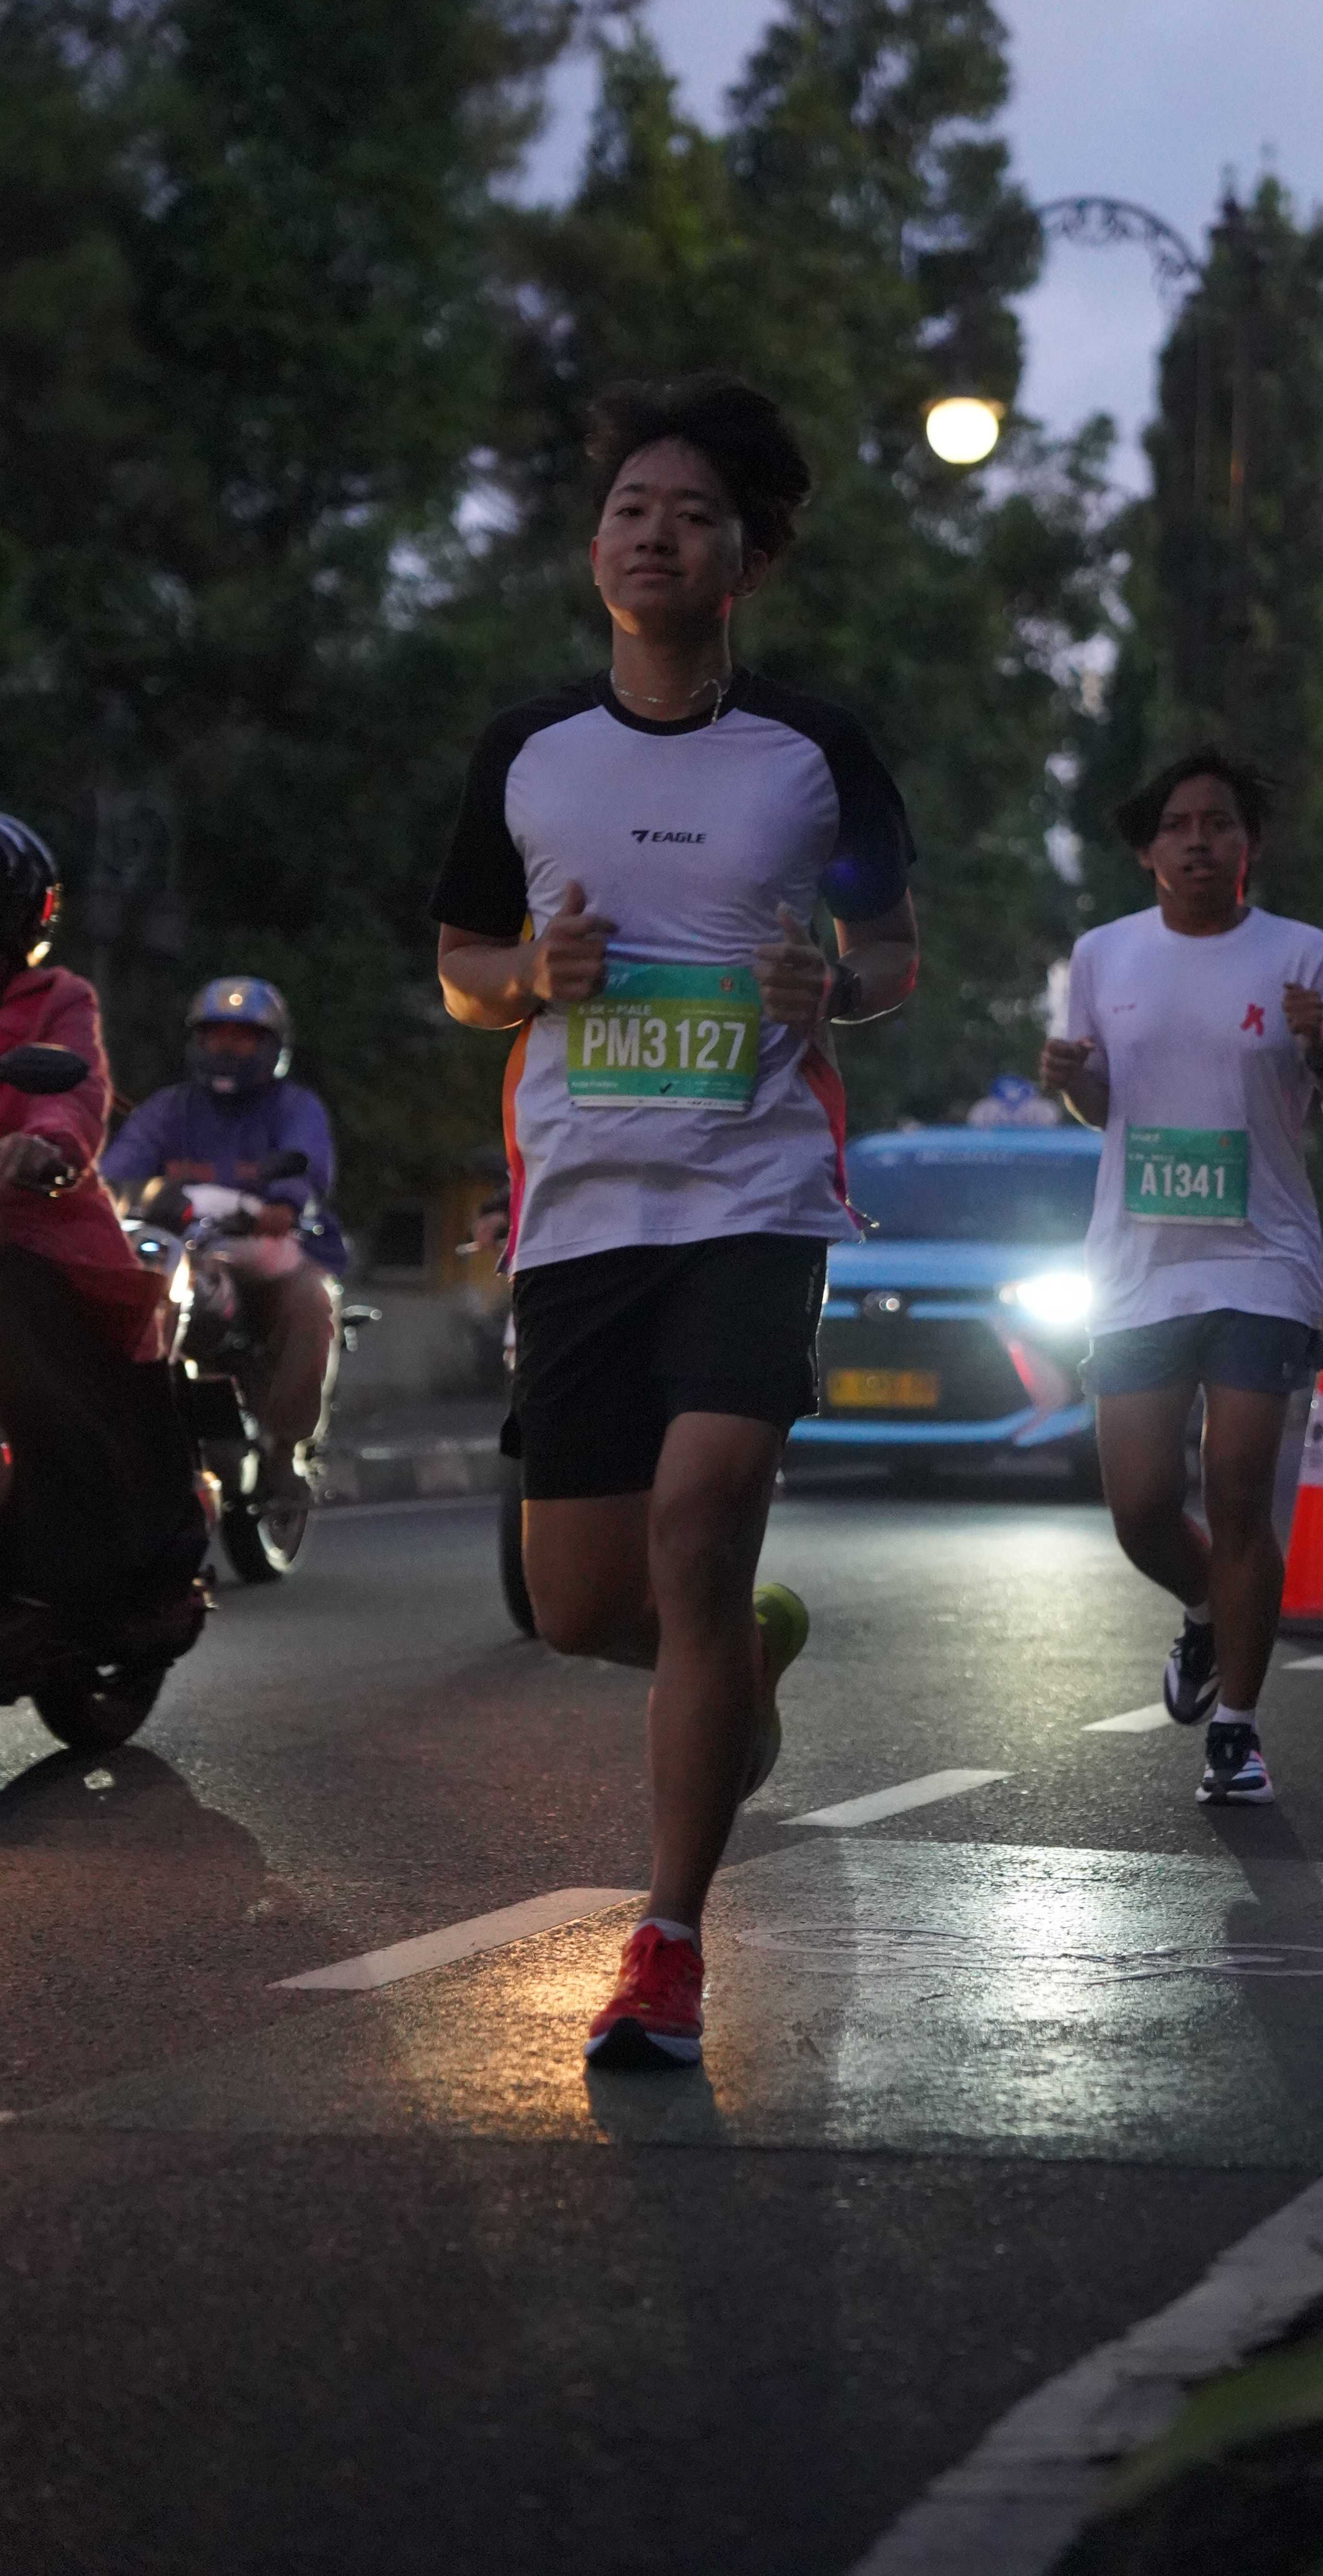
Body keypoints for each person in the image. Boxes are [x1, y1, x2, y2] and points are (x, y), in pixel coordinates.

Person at [432, 373, 918, 2070]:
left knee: (701, 1523)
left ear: (747, 562)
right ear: (596, 549)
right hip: (580, 1206)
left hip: (755, 1191)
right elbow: (462, 972)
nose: (653, 533)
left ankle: (667, 1946)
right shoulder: (528, 751)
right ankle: (745, 1663)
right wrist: (529, 975)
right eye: (630, 508)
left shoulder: (815, 753)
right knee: (581, 1607)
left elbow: (893, 953)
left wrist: (836, 986)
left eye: (691, 514)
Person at [1038, 747, 1323, 1807]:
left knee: (1236, 1487)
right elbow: (1105, 1110)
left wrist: (1322, 1057)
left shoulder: (1302, 956)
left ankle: (1236, 1727)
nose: (1198, 841)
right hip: (1138, 1264)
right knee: (1142, 1508)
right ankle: (1205, 1610)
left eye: (1219, 823)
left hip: (1260, 1257)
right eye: (1178, 826)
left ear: (1250, 845)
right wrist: (1074, 1083)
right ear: (1147, 853)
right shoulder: (1102, 955)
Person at [0, 816, 205, 1663]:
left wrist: (42, 1144)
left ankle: (66, 1584)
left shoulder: (59, 1001)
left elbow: (74, 1093)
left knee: (33, 1367)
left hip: (36, 1231)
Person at [102, 978, 345, 1503]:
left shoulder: (294, 1107)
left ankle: (284, 1449)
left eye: (243, 1036)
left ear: (272, 1046)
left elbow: (308, 1167)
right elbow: (116, 1174)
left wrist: (284, 1203)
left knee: (312, 1302)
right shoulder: (168, 1110)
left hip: (266, 1253)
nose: (227, 1047)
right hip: (187, 1253)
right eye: (216, 1035)